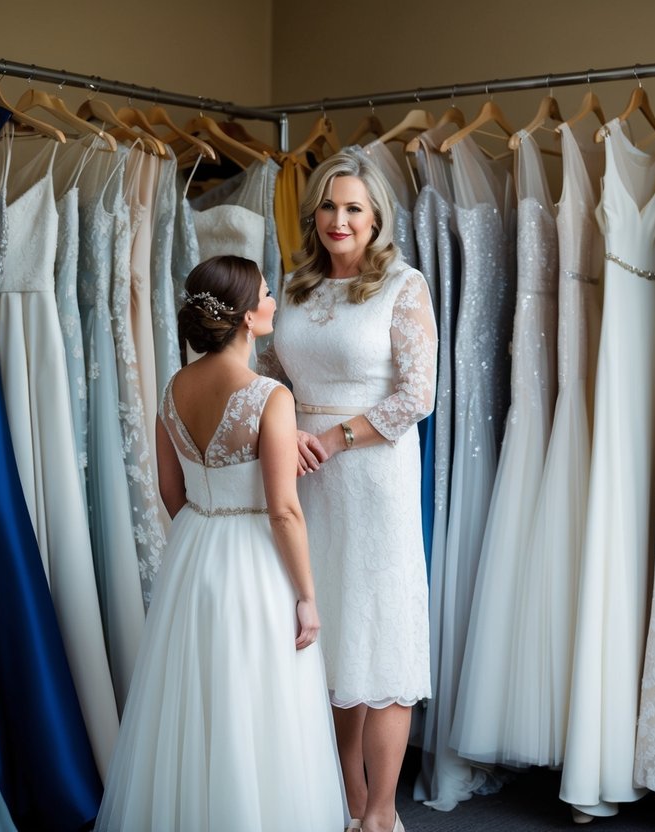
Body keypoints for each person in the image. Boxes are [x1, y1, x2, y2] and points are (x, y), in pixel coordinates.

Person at [96, 255, 347, 832]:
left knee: (196, 702)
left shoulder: (174, 387)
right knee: (258, 703)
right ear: (244, 318)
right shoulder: (269, 397)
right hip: (254, 558)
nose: (274, 302)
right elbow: (284, 510)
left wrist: (204, 533)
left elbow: (168, 489)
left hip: (195, 550)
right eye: (265, 294)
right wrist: (308, 596)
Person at [258, 153, 438, 832]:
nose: (339, 220)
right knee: (328, 639)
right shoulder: (295, 287)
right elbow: (272, 371)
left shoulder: (403, 284)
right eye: (329, 206)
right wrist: (278, 432)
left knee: (381, 638)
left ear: (375, 218)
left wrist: (332, 440)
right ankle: (347, 801)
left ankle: (382, 814)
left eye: (353, 208)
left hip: (372, 477)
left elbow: (416, 396)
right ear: (314, 214)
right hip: (302, 478)